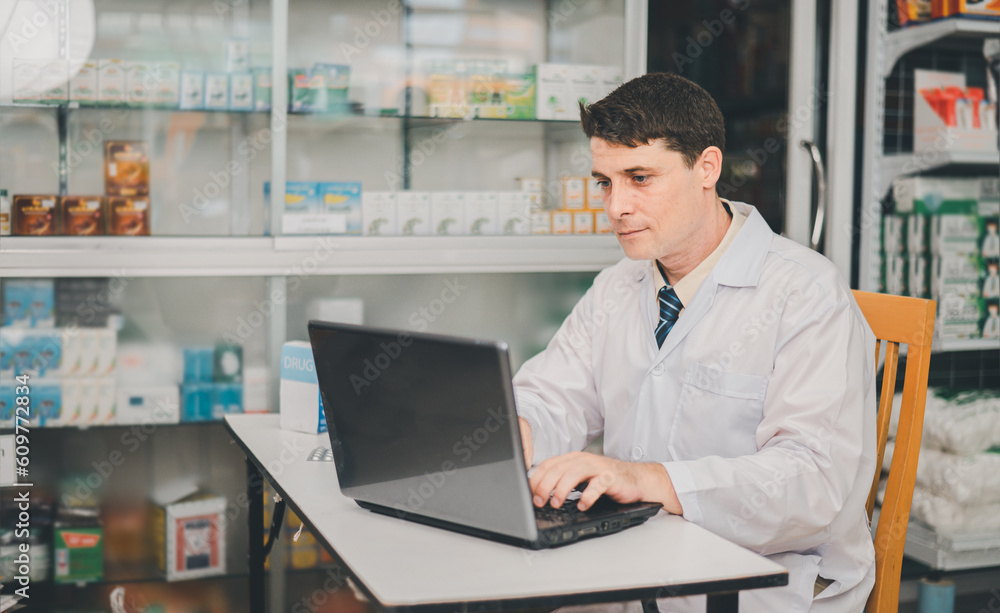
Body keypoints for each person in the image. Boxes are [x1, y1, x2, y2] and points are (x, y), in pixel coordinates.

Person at [512, 73, 877, 612]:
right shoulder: (618, 285)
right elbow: (553, 395)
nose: (616, 207)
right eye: (605, 183)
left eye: (639, 178)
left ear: (707, 167)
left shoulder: (805, 293)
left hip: (766, 579)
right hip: (641, 559)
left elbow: (812, 482)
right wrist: (514, 431)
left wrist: (648, 480)